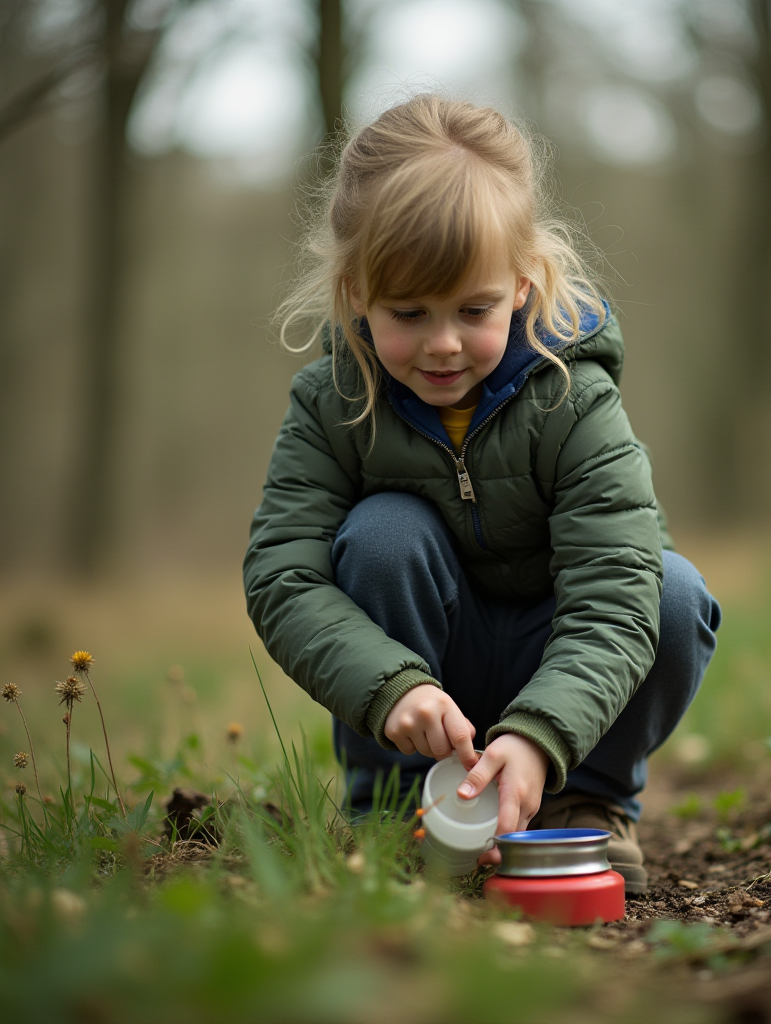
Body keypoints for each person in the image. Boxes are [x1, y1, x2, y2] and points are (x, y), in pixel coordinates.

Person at [243, 95, 721, 892]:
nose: (441, 343)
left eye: (474, 309)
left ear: (524, 285)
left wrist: (541, 733)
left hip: (563, 664)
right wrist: (390, 685)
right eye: (408, 312)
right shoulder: (333, 401)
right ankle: (395, 808)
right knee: (382, 533)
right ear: (357, 290)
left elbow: (615, 591)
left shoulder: (575, 396)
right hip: (427, 681)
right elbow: (282, 575)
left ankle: (584, 803)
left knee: (669, 593)